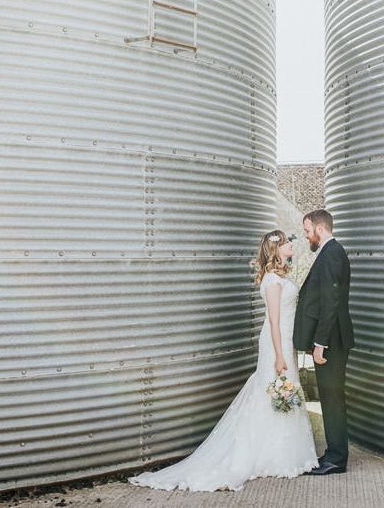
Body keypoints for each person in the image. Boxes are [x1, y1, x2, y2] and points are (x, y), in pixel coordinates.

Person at [129, 230, 318, 492]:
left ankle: (282, 450)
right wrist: (278, 355)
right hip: (277, 342)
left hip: (285, 340)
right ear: (275, 250)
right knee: (273, 392)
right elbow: (273, 321)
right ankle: (266, 454)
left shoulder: (281, 276)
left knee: (280, 392)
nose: (290, 245)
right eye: (285, 243)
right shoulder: (273, 280)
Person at [293, 209, 354, 475]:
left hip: (331, 341)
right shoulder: (331, 253)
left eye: (307, 231)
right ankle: (334, 453)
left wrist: (321, 343)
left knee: (331, 398)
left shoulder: (331, 254)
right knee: (331, 397)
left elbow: (331, 303)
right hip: (333, 339)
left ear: (319, 228)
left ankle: (336, 459)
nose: (307, 236)